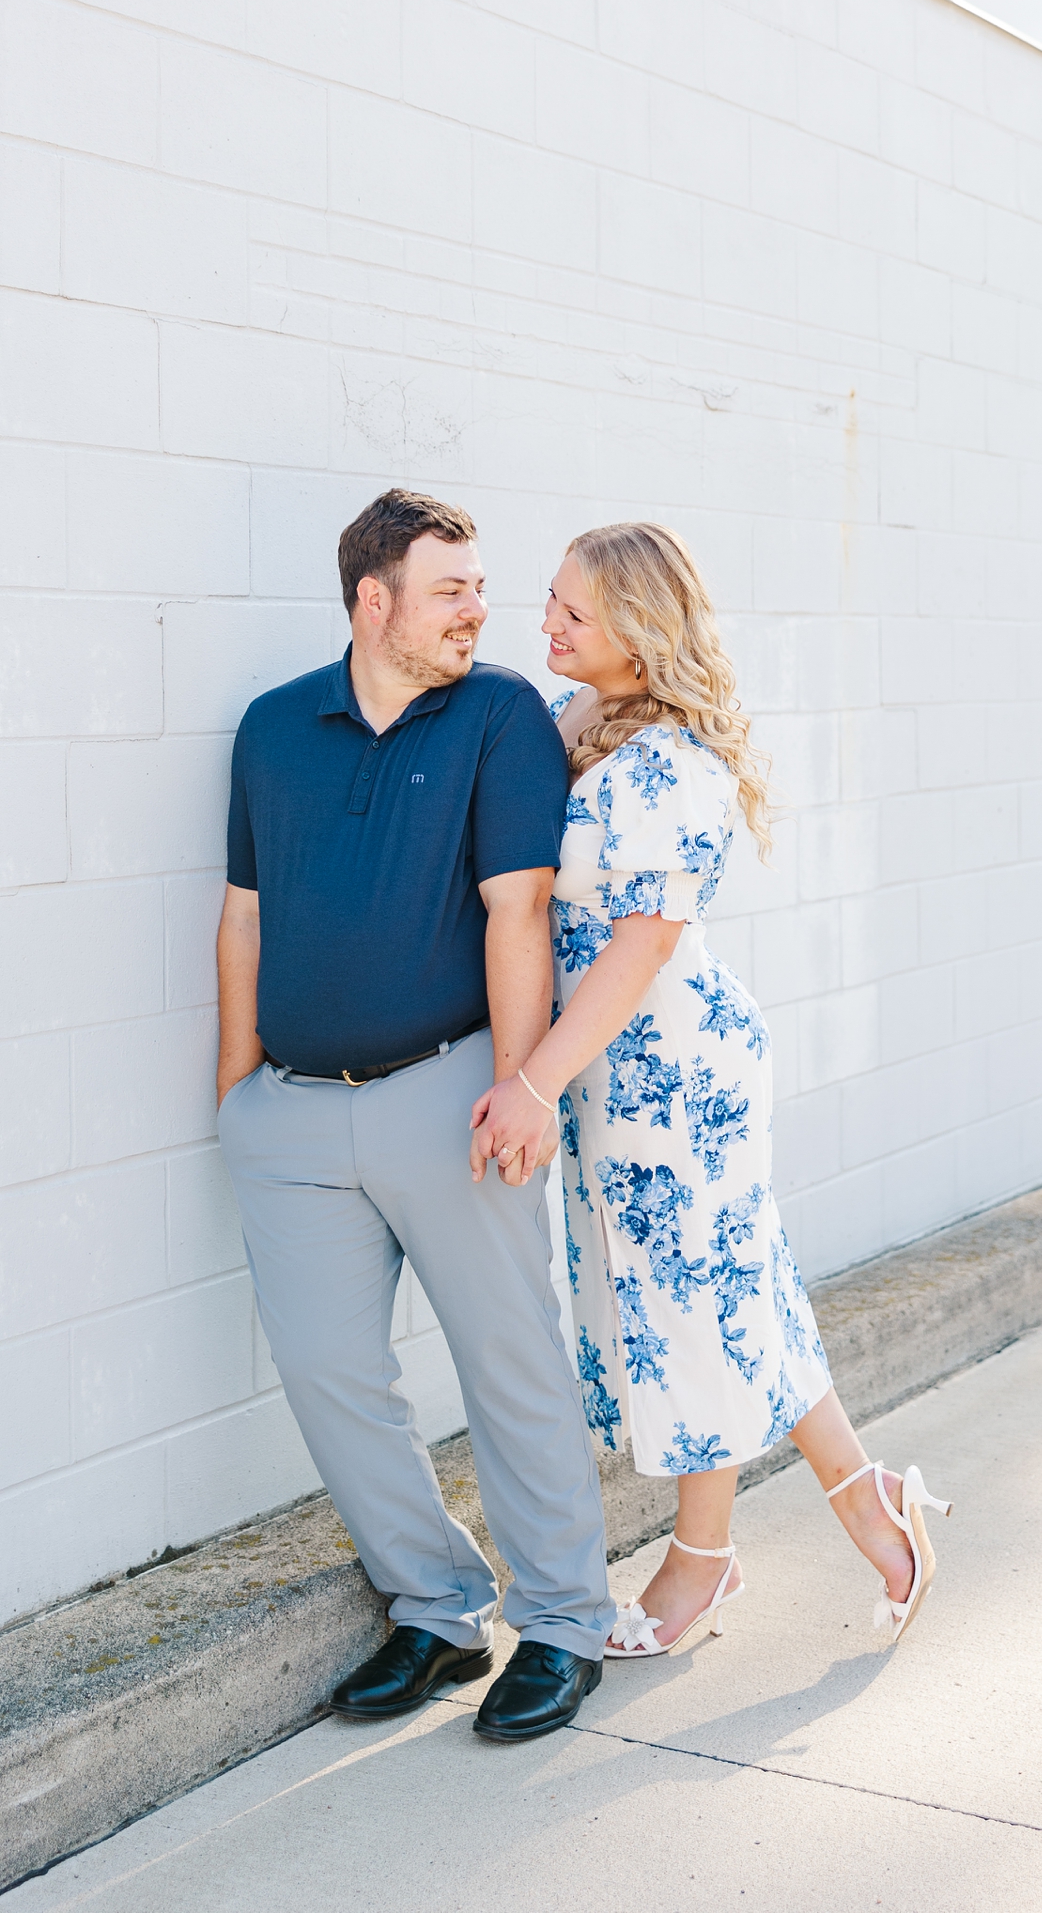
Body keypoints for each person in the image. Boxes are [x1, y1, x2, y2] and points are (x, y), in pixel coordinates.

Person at [472, 523, 952, 1657]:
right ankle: (870, 1507)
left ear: (639, 632)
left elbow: (637, 952)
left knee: (692, 1302)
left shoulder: (675, 766)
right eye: (548, 602)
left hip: (675, 1071)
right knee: (738, 1293)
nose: (545, 625)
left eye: (571, 615)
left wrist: (533, 1082)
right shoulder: (573, 722)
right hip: (605, 1072)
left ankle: (701, 1567)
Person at [215, 489, 613, 1744]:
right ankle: (437, 1613)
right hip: (292, 1115)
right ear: (372, 602)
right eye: (452, 590)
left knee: (510, 1361)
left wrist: (520, 1082)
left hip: (452, 1091)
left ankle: (561, 1624)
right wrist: (236, 1090)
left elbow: (519, 908)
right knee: (331, 1373)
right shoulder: (274, 729)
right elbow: (244, 915)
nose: (479, 611)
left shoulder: (499, 715)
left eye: (480, 589)